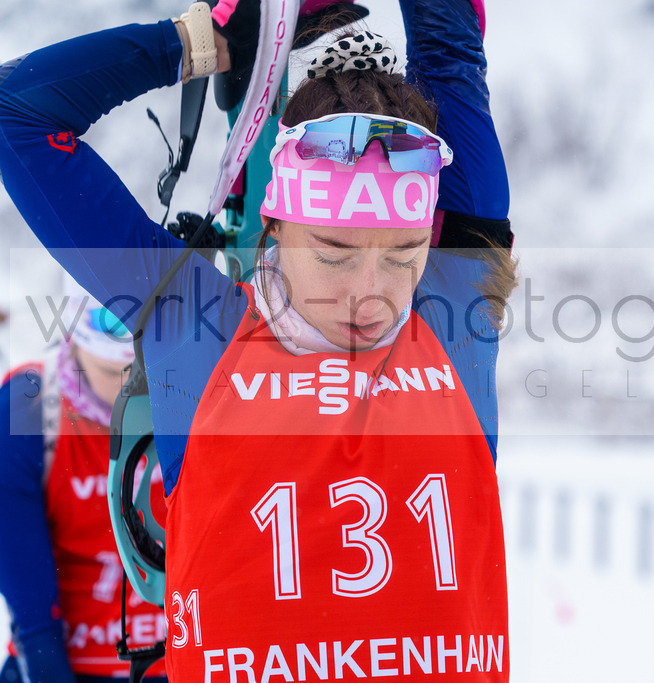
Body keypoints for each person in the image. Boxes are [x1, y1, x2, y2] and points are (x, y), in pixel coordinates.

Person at [0, 0, 515, 680]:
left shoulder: (449, 319)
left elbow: (451, 51)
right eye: (333, 251)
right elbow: (16, 115)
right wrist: (201, 42)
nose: (370, 290)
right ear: (274, 228)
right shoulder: (200, 324)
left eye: (403, 253)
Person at [0, 276, 168, 683]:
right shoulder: (30, 407)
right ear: (74, 350)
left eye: (143, 373)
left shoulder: (192, 398)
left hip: (178, 658)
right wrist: (44, 664)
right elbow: (29, 592)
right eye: (115, 374)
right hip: (72, 659)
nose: (133, 391)